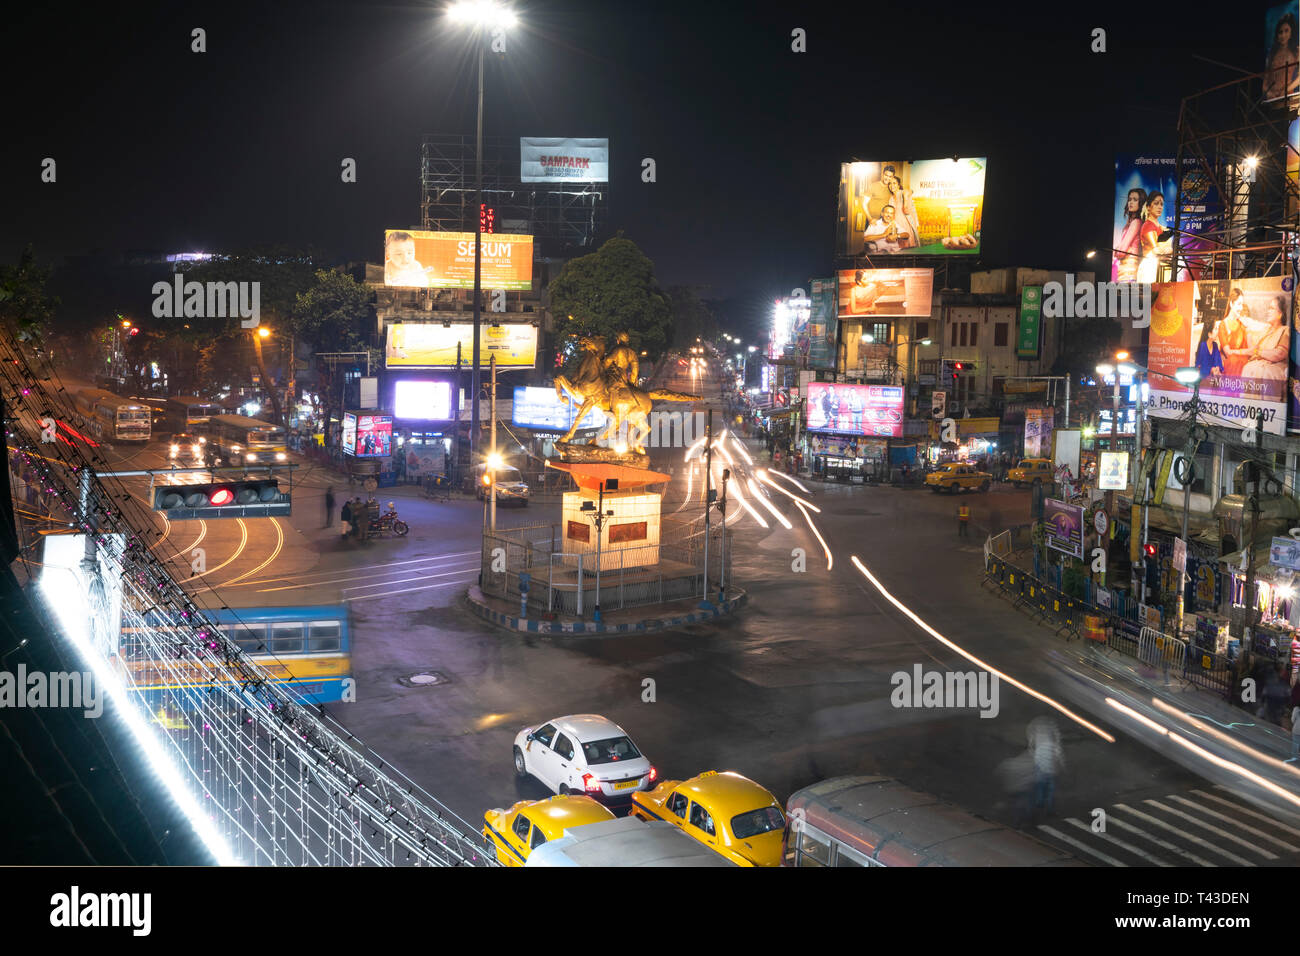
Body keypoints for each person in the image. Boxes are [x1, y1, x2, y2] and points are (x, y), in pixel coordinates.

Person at [1241, 295, 1289, 381]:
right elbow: (1253, 350)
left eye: (1271, 308)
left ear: (1280, 314)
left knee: (1265, 373)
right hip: (1258, 365)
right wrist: (1247, 331)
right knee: (1248, 368)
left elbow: (1279, 354)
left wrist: (1258, 351)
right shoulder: (1266, 330)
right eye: (1268, 308)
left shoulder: (1285, 330)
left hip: (1275, 367)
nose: (1268, 311)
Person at [1027, 717, 1063, 814]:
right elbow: (1058, 754)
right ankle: (1048, 807)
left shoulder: (1036, 727)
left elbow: (1031, 743)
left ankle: (1039, 803)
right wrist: (1061, 765)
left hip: (1040, 763)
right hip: (1049, 766)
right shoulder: (1053, 739)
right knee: (1050, 787)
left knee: (1040, 785)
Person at [1135, 192, 1171, 284]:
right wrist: (1168, 250)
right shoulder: (1148, 226)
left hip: (1163, 267)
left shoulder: (1162, 227)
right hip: (1151, 267)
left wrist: (1170, 250)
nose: (1160, 207)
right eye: (1156, 203)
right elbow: (1156, 250)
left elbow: (1171, 249)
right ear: (1148, 207)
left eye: (1161, 204)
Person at [1214, 289, 1251, 378]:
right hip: (1229, 360)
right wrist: (1241, 352)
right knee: (1233, 361)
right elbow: (1227, 352)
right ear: (1231, 304)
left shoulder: (1242, 324)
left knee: (1238, 362)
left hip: (1242, 359)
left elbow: (1251, 350)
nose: (1241, 308)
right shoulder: (1223, 324)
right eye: (1239, 304)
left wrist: (1248, 328)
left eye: (1242, 304)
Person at [1112, 187, 1147, 282]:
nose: (1131, 202)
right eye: (1129, 199)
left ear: (1141, 203)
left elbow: (1121, 251)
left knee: (1125, 295)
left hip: (1129, 269)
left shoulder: (1136, 222)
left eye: (1135, 200)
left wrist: (1117, 251)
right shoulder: (1132, 223)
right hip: (1127, 268)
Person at [1264, 12, 1300, 102]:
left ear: (1291, 32)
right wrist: (1268, 93)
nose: (1283, 35)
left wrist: (1285, 90)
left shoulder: (1297, 51)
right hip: (1271, 99)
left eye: (1286, 31)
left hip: (1287, 97)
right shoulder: (1271, 53)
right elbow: (1265, 80)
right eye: (1280, 32)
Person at [1194, 316, 1223, 381]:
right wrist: (1211, 369)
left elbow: (1218, 362)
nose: (1218, 331)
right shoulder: (1203, 346)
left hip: (1213, 379)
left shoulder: (1215, 345)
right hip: (1203, 380)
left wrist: (1218, 368)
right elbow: (1202, 368)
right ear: (1209, 334)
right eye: (1215, 329)